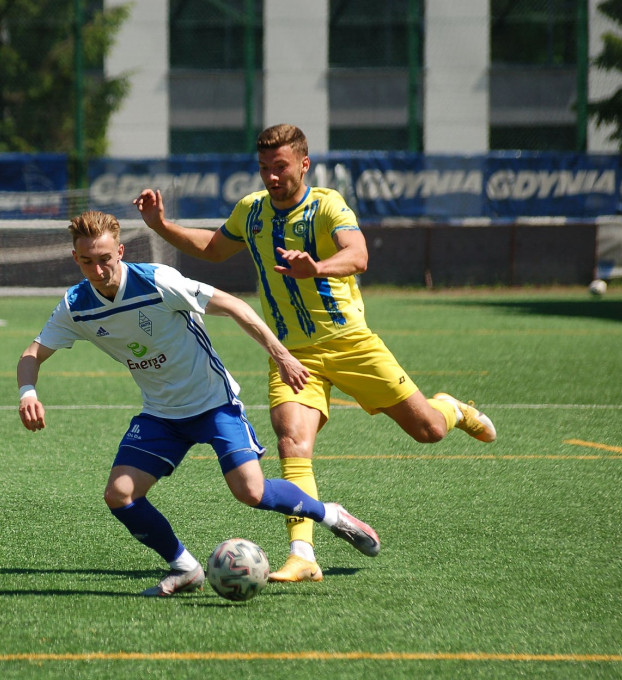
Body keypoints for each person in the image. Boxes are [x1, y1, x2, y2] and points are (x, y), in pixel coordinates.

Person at [134, 123, 497, 584]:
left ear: (304, 164)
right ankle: (302, 555)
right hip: (291, 353)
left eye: (280, 167)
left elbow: (358, 255)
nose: (271, 177)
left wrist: (317, 268)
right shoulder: (251, 210)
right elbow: (213, 248)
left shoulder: (327, 205)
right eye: (264, 168)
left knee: (428, 430)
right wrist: (161, 226)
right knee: (292, 443)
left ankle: (452, 409)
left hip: (351, 344)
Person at [17, 210, 380, 597]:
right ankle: (185, 568)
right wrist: (28, 393)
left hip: (214, 404)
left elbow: (235, 306)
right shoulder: (76, 304)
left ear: (120, 252)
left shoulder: (158, 281)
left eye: (105, 258)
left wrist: (282, 356)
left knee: (251, 492)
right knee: (119, 494)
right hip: (160, 414)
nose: (98, 269)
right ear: (76, 258)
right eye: (87, 261)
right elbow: (32, 354)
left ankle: (330, 514)